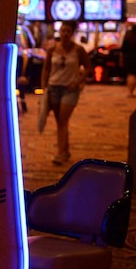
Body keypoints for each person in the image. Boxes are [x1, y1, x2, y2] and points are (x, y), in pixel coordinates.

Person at [41, 20, 91, 166]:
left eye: (68, 31)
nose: (65, 34)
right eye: (63, 31)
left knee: (62, 120)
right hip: (54, 87)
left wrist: (78, 81)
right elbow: (46, 69)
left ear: (72, 33)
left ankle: (60, 153)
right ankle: (66, 150)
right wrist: (44, 87)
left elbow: (88, 67)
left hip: (70, 89)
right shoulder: (52, 50)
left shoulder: (78, 50)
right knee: (60, 122)